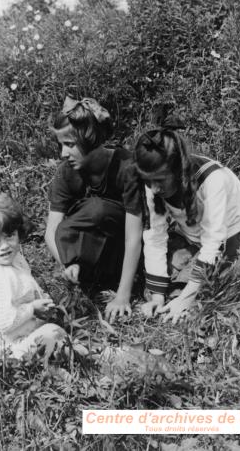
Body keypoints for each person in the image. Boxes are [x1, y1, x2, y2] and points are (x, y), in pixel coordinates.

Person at [134, 122, 240, 324]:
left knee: (204, 285)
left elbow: (214, 243)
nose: (153, 189)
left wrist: (186, 298)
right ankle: (172, 293)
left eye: (160, 181)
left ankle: (185, 294)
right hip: (192, 236)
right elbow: (155, 237)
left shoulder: (213, 180)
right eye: (148, 181)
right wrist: (157, 296)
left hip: (231, 236)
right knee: (155, 279)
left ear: (177, 171)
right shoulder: (153, 184)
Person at [45, 97, 142, 322]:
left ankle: (118, 280)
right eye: (60, 145)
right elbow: (52, 230)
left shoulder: (126, 168)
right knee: (75, 222)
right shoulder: (67, 172)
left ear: (90, 139)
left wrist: (123, 295)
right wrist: (66, 265)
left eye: (69, 145)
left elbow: (134, 236)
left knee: (98, 208)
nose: (63, 154)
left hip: (122, 248)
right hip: (86, 253)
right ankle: (84, 277)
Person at [0, 193, 66, 360]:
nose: (4, 246)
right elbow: (4, 322)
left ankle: (73, 356)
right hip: (1, 351)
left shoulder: (15, 260)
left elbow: (26, 289)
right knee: (51, 332)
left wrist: (42, 301)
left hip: (20, 335)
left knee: (54, 332)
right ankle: (80, 357)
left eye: (9, 236)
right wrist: (33, 308)